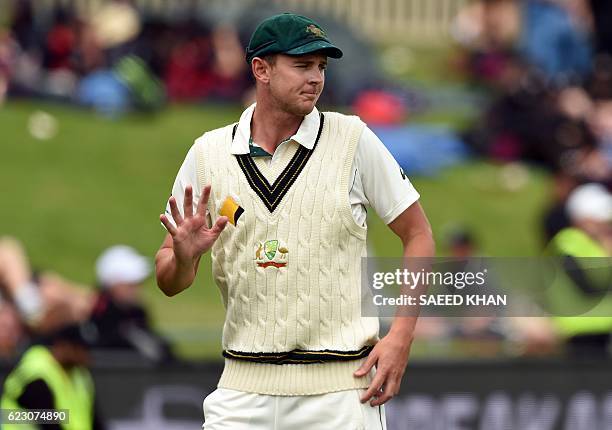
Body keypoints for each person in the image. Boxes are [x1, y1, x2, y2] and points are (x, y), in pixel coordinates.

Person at [155, 13, 434, 429]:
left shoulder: (352, 139)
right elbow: (168, 281)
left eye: (321, 66)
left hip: (341, 391)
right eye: (302, 65)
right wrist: (182, 259)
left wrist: (401, 337)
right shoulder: (207, 154)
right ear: (261, 69)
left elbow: (419, 235)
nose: (316, 78)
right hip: (241, 390)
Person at [0, 323, 105, 430]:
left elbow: (95, 421)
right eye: (80, 350)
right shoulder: (36, 373)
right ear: (63, 346)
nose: (87, 356)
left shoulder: (81, 376)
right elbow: (49, 423)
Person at [89, 245, 174, 363]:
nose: (137, 290)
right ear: (114, 285)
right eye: (131, 285)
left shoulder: (137, 314)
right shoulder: (94, 316)